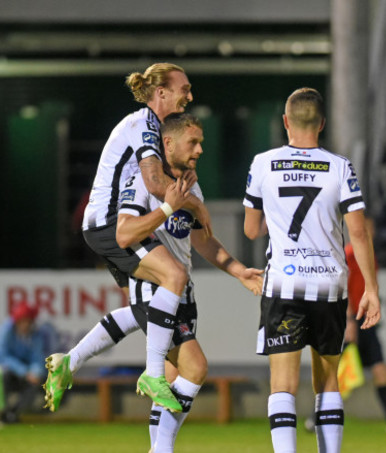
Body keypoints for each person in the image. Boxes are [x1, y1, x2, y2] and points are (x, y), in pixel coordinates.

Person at [44, 113, 262, 452]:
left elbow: (203, 241)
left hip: (180, 293)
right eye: (194, 142)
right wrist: (166, 208)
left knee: (174, 382)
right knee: (195, 367)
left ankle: (71, 362)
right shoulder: (142, 183)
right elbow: (125, 232)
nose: (201, 149)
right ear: (169, 143)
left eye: (202, 142)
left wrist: (239, 271)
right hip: (157, 288)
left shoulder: (191, 185)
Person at [243, 88, 380, 453]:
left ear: (285, 122)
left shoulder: (262, 163)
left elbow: (251, 229)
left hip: (285, 282)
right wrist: (371, 289)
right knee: (328, 382)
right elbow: (359, 232)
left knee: (282, 385)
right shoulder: (340, 166)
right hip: (329, 285)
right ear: (322, 124)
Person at [80, 63, 212, 412]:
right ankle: (152, 374)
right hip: (111, 222)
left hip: (114, 223)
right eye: (184, 89)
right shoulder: (142, 124)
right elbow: (154, 183)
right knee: (174, 276)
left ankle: (71, 361)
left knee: (144, 308)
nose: (190, 96)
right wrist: (196, 206)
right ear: (161, 92)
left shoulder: (152, 128)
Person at [307, 217, 386, 435]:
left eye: (369, 228)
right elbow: (343, 287)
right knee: (337, 372)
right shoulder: (349, 254)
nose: (366, 232)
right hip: (349, 319)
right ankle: (316, 419)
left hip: (365, 320)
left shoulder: (370, 256)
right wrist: (349, 320)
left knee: (380, 369)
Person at [0, 301, 46, 424]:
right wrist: (24, 372)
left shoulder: (36, 334)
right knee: (2, 375)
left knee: (36, 382)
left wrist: (35, 372)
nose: (25, 325)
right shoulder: (5, 331)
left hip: (23, 369)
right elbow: (1, 356)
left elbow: (37, 357)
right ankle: (2, 412)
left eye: (28, 321)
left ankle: (14, 413)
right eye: (22, 321)